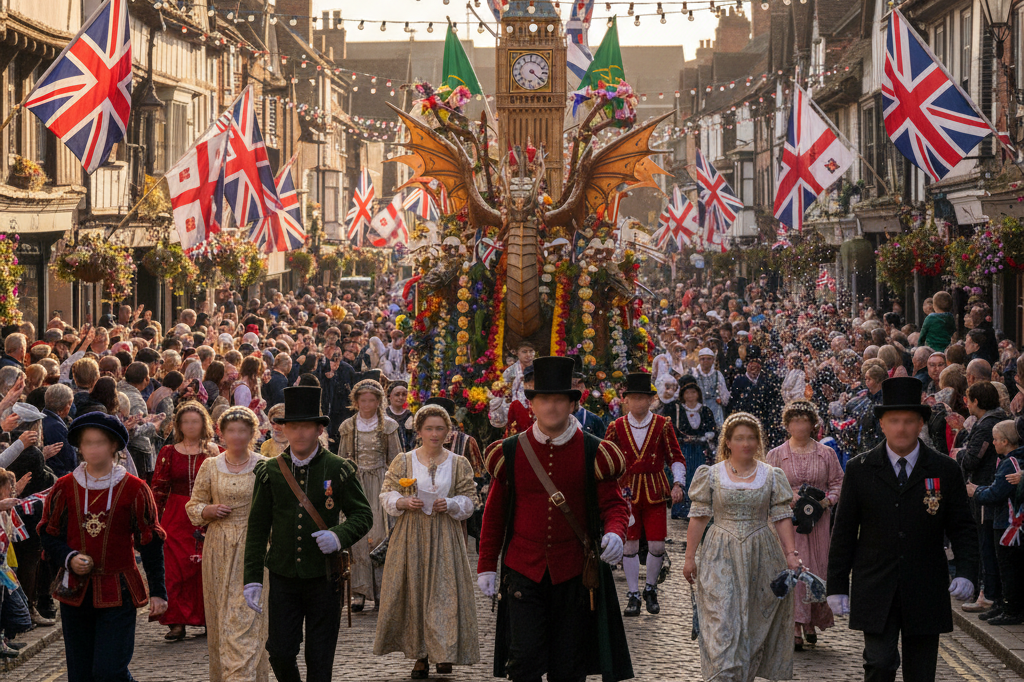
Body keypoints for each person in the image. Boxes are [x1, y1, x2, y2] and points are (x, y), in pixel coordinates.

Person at [477, 355, 633, 682]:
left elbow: (614, 505)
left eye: (559, 400)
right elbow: (494, 515)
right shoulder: (509, 452)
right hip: (523, 569)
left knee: (568, 666)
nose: (552, 407)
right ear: (532, 404)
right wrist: (487, 565)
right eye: (544, 399)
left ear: (572, 404)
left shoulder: (594, 451)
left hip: (574, 573)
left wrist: (616, 533)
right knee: (524, 660)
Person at [827, 377, 979, 682]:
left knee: (921, 673)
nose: (901, 428)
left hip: (925, 585)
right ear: (881, 424)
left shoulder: (944, 469)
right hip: (875, 584)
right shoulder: (860, 468)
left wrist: (966, 572)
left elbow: (963, 528)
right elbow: (843, 532)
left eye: (909, 421)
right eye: (893, 421)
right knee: (880, 664)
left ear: (920, 423)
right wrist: (837, 586)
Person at [243, 385, 373, 682]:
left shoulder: (338, 468)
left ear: (318, 430)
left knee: (320, 657)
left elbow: (363, 515)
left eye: (306, 427)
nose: (300, 433)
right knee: (280, 651)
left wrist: (339, 536)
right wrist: (251, 577)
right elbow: (258, 527)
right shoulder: (271, 471)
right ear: (285, 431)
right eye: (293, 427)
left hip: (324, 577)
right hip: (283, 575)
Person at [38, 412, 168, 682]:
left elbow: (151, 542)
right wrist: (69, 557)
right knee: (81, 674)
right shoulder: (64, 487)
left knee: (110, 672)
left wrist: (159, 592)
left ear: (113, 446)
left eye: (99, 442)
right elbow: (48, 535)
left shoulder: (134, 488)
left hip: (119, 590)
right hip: (76, 592)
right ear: (80, 447)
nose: (93, 448)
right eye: (87, 443)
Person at [683, 411, 799, 681]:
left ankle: (744, 676)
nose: (746, 443)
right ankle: (724, 674)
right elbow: (698, 518)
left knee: (754, 625)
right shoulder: (710, 475)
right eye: (739, 438)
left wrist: (791, 555)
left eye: (751, 438)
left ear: (758, 442)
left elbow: (782, 517)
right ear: (728, 443)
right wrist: (690, 557)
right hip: (719, 554)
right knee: (722, 622)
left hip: (762, 554)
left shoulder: (771, 475)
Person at [374, 404, 480, 678]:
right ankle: (420, 655)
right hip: (411, 535)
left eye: (440, 429)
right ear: (419, 431)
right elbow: (386, 493)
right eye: (429, 428)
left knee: (444, 594)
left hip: (446, 535)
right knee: (414, 593)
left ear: (448, 432)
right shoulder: (404, 460)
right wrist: (403, 500)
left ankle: (443, 652)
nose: (435, 434)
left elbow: (471, 499)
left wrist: (453, 503)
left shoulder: (458, 463)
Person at [186, 406, 269, 682]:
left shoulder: (264, 465)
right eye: (231, 430)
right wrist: (207, 512)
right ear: (222, 433)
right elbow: (194, 505)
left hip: (253, 546)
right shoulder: (211, 466)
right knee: (222, 617)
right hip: (218, 548)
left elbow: (276, 507)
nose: (236, 436)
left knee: (246, 616)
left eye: (242, 430)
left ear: (251, 433)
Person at [603, 371, 685, 616]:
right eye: (633, 398)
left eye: (643, 398)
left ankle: (650, 588)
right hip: (626, 493)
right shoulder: (616, 427)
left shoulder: (663, 424)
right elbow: (606, 460)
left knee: (657, 544)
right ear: (625, 400)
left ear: (651, 400)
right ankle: (633, 594)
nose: (638, 402)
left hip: (655, 491)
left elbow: (676, 457)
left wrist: (678, 483)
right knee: (629, 545)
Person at [766, 400, 844, 650]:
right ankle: (794, 627)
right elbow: (768, 486)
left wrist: (827, 502)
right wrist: (787, 498)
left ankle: (810, 623)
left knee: (816, 571)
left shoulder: (827, 453)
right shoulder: (776, 455)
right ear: (787, 425)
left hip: (818, 523)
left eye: (805, 420)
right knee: (793, 570)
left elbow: (838, 483)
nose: (800, 425)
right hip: (787, 523)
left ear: (813, 424)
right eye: (794, 420)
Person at [151, 400, 220, 640]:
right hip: (176, 514)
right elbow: (158, 488)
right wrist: (153, 519)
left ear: (204, 424)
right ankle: (176, 621)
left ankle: (208, 618)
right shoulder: (169, 452)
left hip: (207, 513)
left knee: (205, 568)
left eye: (195, 421)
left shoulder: (214, 451)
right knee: (175, 568)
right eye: (186, 422)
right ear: (179, 425)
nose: (191, 426)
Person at [336, 379, 402, 611]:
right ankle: (359, 591)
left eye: (372, 400)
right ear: (356, 402)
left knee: (380, 534)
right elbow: (341, 458)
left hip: (381, 484)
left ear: (378, 401)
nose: (367, 404)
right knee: (358, 537)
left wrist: (395, 486)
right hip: (356, 484)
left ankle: (383, 590)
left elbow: (396, 459)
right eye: (362, 400)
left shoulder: (389, 426)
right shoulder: (348, 426)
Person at [958, 381, 1009, 615]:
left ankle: (988, 595)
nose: (966, 403)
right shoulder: (991, 421)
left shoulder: (988, 425)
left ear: (976, 401)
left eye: (968, 399)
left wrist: (959, 453)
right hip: (988, 488)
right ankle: (989, 593)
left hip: (984, 490)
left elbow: (971, 460)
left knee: (986, 545)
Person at [966, 419, 1024, 625]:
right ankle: (1002, 604)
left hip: (1009, 523)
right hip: (1005, 521)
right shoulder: (1009, 460)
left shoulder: (1011, 463)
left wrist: (976, 491)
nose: (993, 443)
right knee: (1005, 567)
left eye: (996, 439)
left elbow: (996, 494)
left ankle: (1011, 610)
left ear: (1007, 441)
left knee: (1008, 569)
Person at [662, 375, 718, 519]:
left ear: (698, 394)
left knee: (698, 477)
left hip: (700, 451)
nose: (691, 396)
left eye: (693, 392)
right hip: (684, 449)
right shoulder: (677, 410)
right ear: (683, 395)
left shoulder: (705, 410)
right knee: (682, 476)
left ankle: (697, 508)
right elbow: (672, 429)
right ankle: (681, 508)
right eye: (687, 393)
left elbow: (712, 429)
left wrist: (706, 436)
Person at [731, 346, 785, 447]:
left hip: (765, 424)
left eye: (756, 363)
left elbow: (775, 403)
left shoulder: (768, 380)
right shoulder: (739, 381)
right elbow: (734, 404)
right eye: (750, 363)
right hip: (745, 423)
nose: (753, 366)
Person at [692, 347, 730, 426]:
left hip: (715, 409)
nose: (706, 361)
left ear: (713, 360)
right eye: (703, 359)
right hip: (698, 407)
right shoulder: (694, 374)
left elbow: (724, 395)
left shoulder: (717, 374)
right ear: (699, 360)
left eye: (709, 359)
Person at [385, 381, 414, 451]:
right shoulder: (384, 414)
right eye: (397, 395)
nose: (400, 397)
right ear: (390, 396)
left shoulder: (409, 415)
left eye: (403, 395)